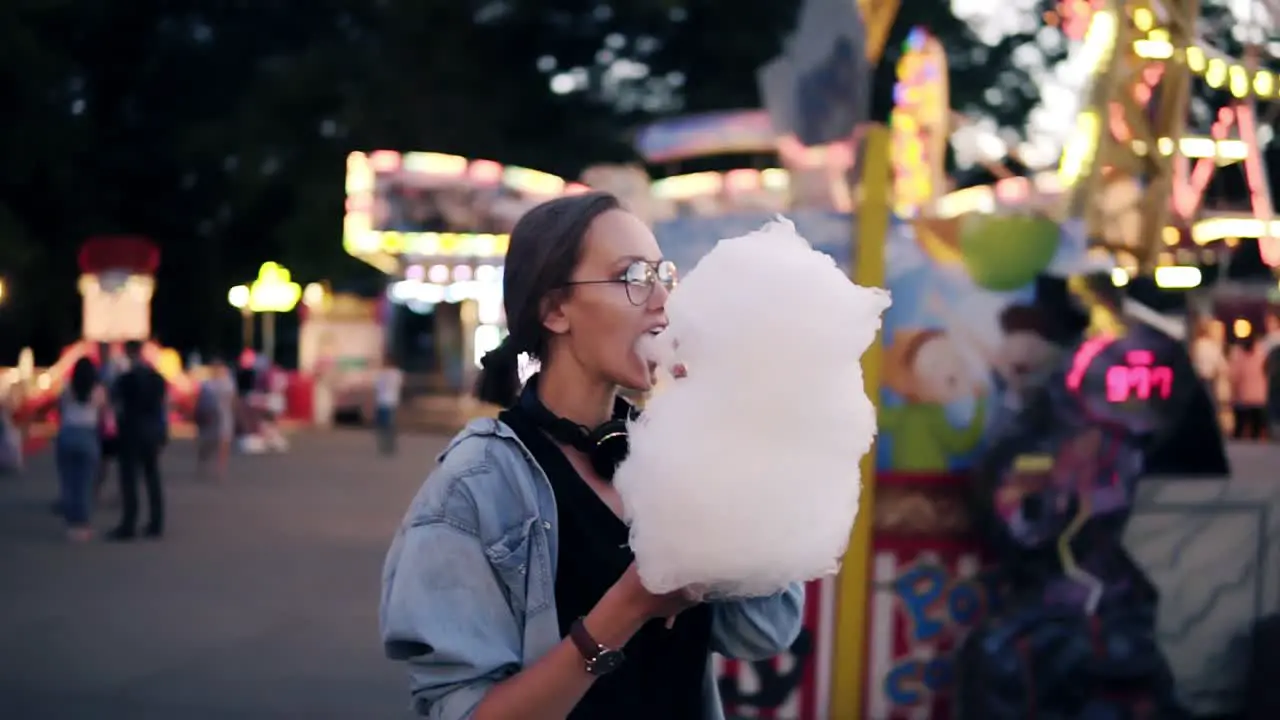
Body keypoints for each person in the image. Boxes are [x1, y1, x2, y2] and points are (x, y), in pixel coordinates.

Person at [380, 192, 803, 720]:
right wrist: (628, 607)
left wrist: (721, 437)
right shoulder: (477, 484)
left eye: (662, 276)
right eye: (632, 278)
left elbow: (764, 629)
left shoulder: (667, 452)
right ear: (556, 309)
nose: (663, 302)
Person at [108, 340, 169, 540]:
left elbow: (115, 402)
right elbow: (162, 407)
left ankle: (129, 524)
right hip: (151, 431)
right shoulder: (157, 378)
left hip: (130, 431)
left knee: (129, 479)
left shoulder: (125, 379)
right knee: (152, 477)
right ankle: (156, 522)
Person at [56, 357, 111, 542]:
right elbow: (104, 415)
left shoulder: (67, 388)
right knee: (85, 484)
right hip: (88, 436)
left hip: (67, 434)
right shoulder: (98, 391)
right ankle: (83, 526)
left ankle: (71, 524)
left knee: (69, 482)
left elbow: (60, 411)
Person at [195, 358, 236, 479]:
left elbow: (233, 398)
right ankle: (203, 462)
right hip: (211, 416)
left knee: (224, 442)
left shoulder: (228, 382)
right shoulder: (208, 384)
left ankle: (220, 470)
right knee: (209, 443)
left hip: (224, 414)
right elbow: (200, 401)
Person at [1228, 337, 1268, 440]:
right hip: (1259, 396)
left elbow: (1234, 375)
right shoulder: (1262, 354)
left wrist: (1233, 393)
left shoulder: (1238, 356)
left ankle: (1239, 444)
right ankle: (1256, 442)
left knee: (1240, 425)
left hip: (1242, 396)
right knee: (1256, 426)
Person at [373, 356, 404, 455]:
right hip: (383, 402)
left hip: (390, 401)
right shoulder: (384, 374)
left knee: (388, 425)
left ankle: (389, 445)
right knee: (383, 425)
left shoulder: (394, 374)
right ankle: (386, 445)